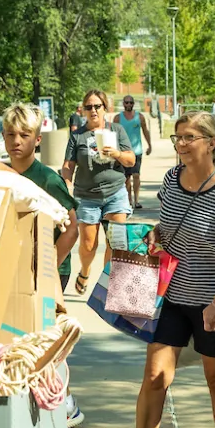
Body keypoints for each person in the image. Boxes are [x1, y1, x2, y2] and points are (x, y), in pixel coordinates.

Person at [120, 111, 215, 428]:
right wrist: (155, 236)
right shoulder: (171, 180)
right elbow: (168, 225)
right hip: (172, 296)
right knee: (155, 375)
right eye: (177, 137)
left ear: (211, 142)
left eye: (189, 137)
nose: (181, 144)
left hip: (213, 298)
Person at [2, 102, 85, 428]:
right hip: (14, 270)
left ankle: (66, 403)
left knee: (47, 337)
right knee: (20, 338)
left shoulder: (47, 179)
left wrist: (50, 266)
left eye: (24, 135)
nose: (16, 141)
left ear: (38, 139)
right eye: (10, 134)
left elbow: (73, 227)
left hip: (48, 272)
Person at [61, 89, 135, 295]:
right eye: (88, 107)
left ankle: (107, 284)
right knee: (88, 245)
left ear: (105, 108)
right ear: (83, 110)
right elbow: (68, 165)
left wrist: (117, 153)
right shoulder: (77, 136)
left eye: (97, 106)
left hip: (115, 193)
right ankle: (85, 271)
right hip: (87, 196)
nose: (93, 110)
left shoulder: (117, 130)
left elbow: (131, 159)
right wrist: (66, 183)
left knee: (116, 240)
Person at [116, 95, 152, 209]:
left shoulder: (139, 117)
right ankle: (129, 200)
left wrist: (150, 145)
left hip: (137, 151)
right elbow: (113, 134)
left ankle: (136, 200)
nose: (129, 105)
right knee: (126, 178)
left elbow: (145, 131)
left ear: (133, 104)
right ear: (123, 104)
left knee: (136, 175)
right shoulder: (118, 118)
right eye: (126, 102)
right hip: (123, 152)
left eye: (131, 103)